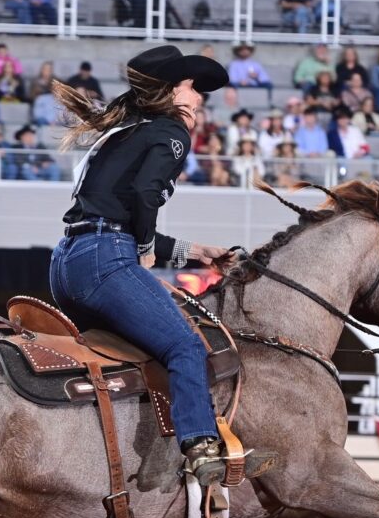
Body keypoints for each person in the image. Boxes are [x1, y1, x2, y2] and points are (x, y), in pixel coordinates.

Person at [50, 45, 274, 486]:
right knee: (185, 347)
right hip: (104, 260)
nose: (199, 99)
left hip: (68, 263)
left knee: (127, 359)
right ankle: (202, 447)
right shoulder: (171, 132)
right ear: (173, 93)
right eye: (193, 88)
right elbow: (145, 198)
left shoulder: (126, 132)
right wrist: (148, 244)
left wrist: (199, 252)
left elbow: (121, 218)